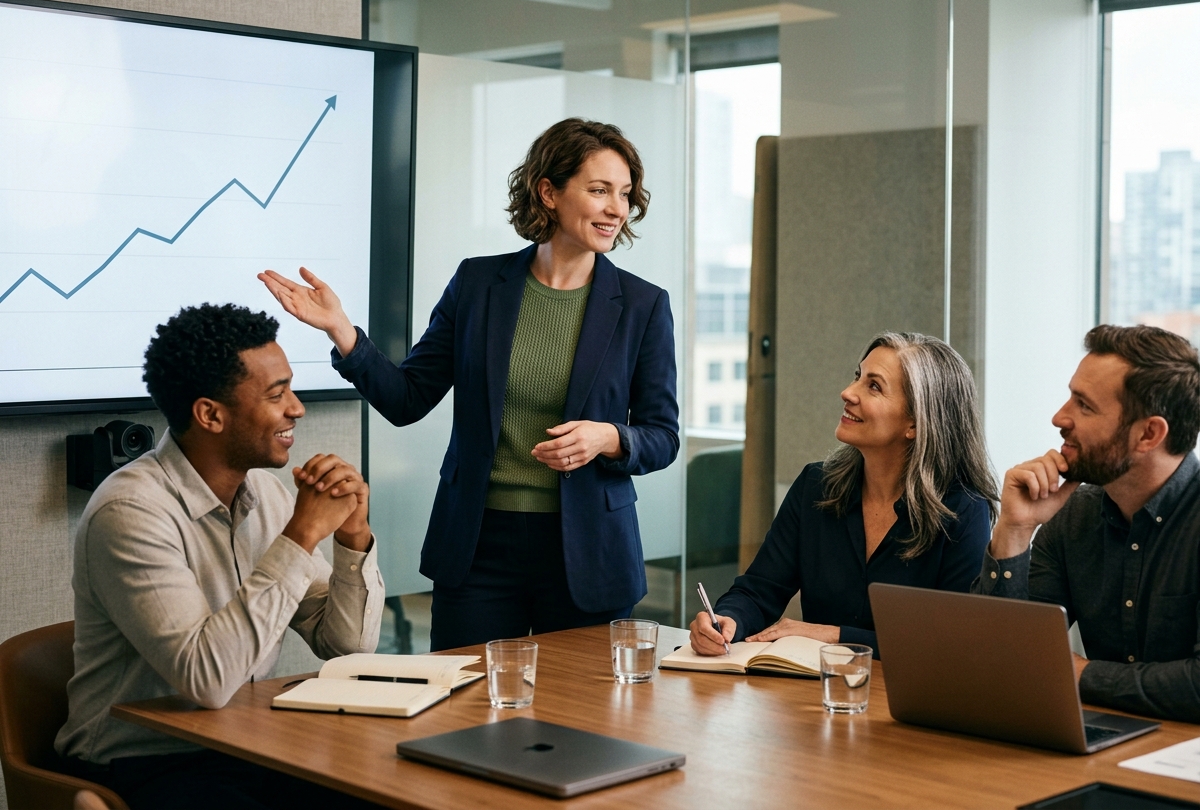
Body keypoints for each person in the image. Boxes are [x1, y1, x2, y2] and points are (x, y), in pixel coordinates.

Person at [259, 118, 679, 650]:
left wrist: (608, 438)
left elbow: (662, 435)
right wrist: (343, 331)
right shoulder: (480, 285)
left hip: (589, 550)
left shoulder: (643, 305)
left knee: (587, 721)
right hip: (479, 545)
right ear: (547, 192)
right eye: (599, 191)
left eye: (624, 194)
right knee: (465, 714)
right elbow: (407, 399)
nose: (616, 208)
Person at [56, 303, 385, 810]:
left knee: (384, 790)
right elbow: (206, 680)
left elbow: (345, 643)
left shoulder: (268, 495)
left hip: (244, 747)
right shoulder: (130, 511)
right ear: (210, 414)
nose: (297, 408)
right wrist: (300, 536)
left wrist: (352, 537)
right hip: (141, 761)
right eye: (277, 396)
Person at [691, 332, 996, 657]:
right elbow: (759, 590)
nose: (848, 393)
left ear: (915, 424)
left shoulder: (963, 510)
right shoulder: (815, 484)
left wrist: (836, 635)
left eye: (874, 386)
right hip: (816, 694)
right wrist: (727, 619)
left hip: (907, 699)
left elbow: (952, 640)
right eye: (857, 377)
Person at [974, 324, 1200, 723]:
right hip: (1101, 748)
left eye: (1084, 405)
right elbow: (996, 656)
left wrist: (1083, 675)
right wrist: (1015, 530)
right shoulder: (1073, 515)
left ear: (1149, 433)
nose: (1059, 417)